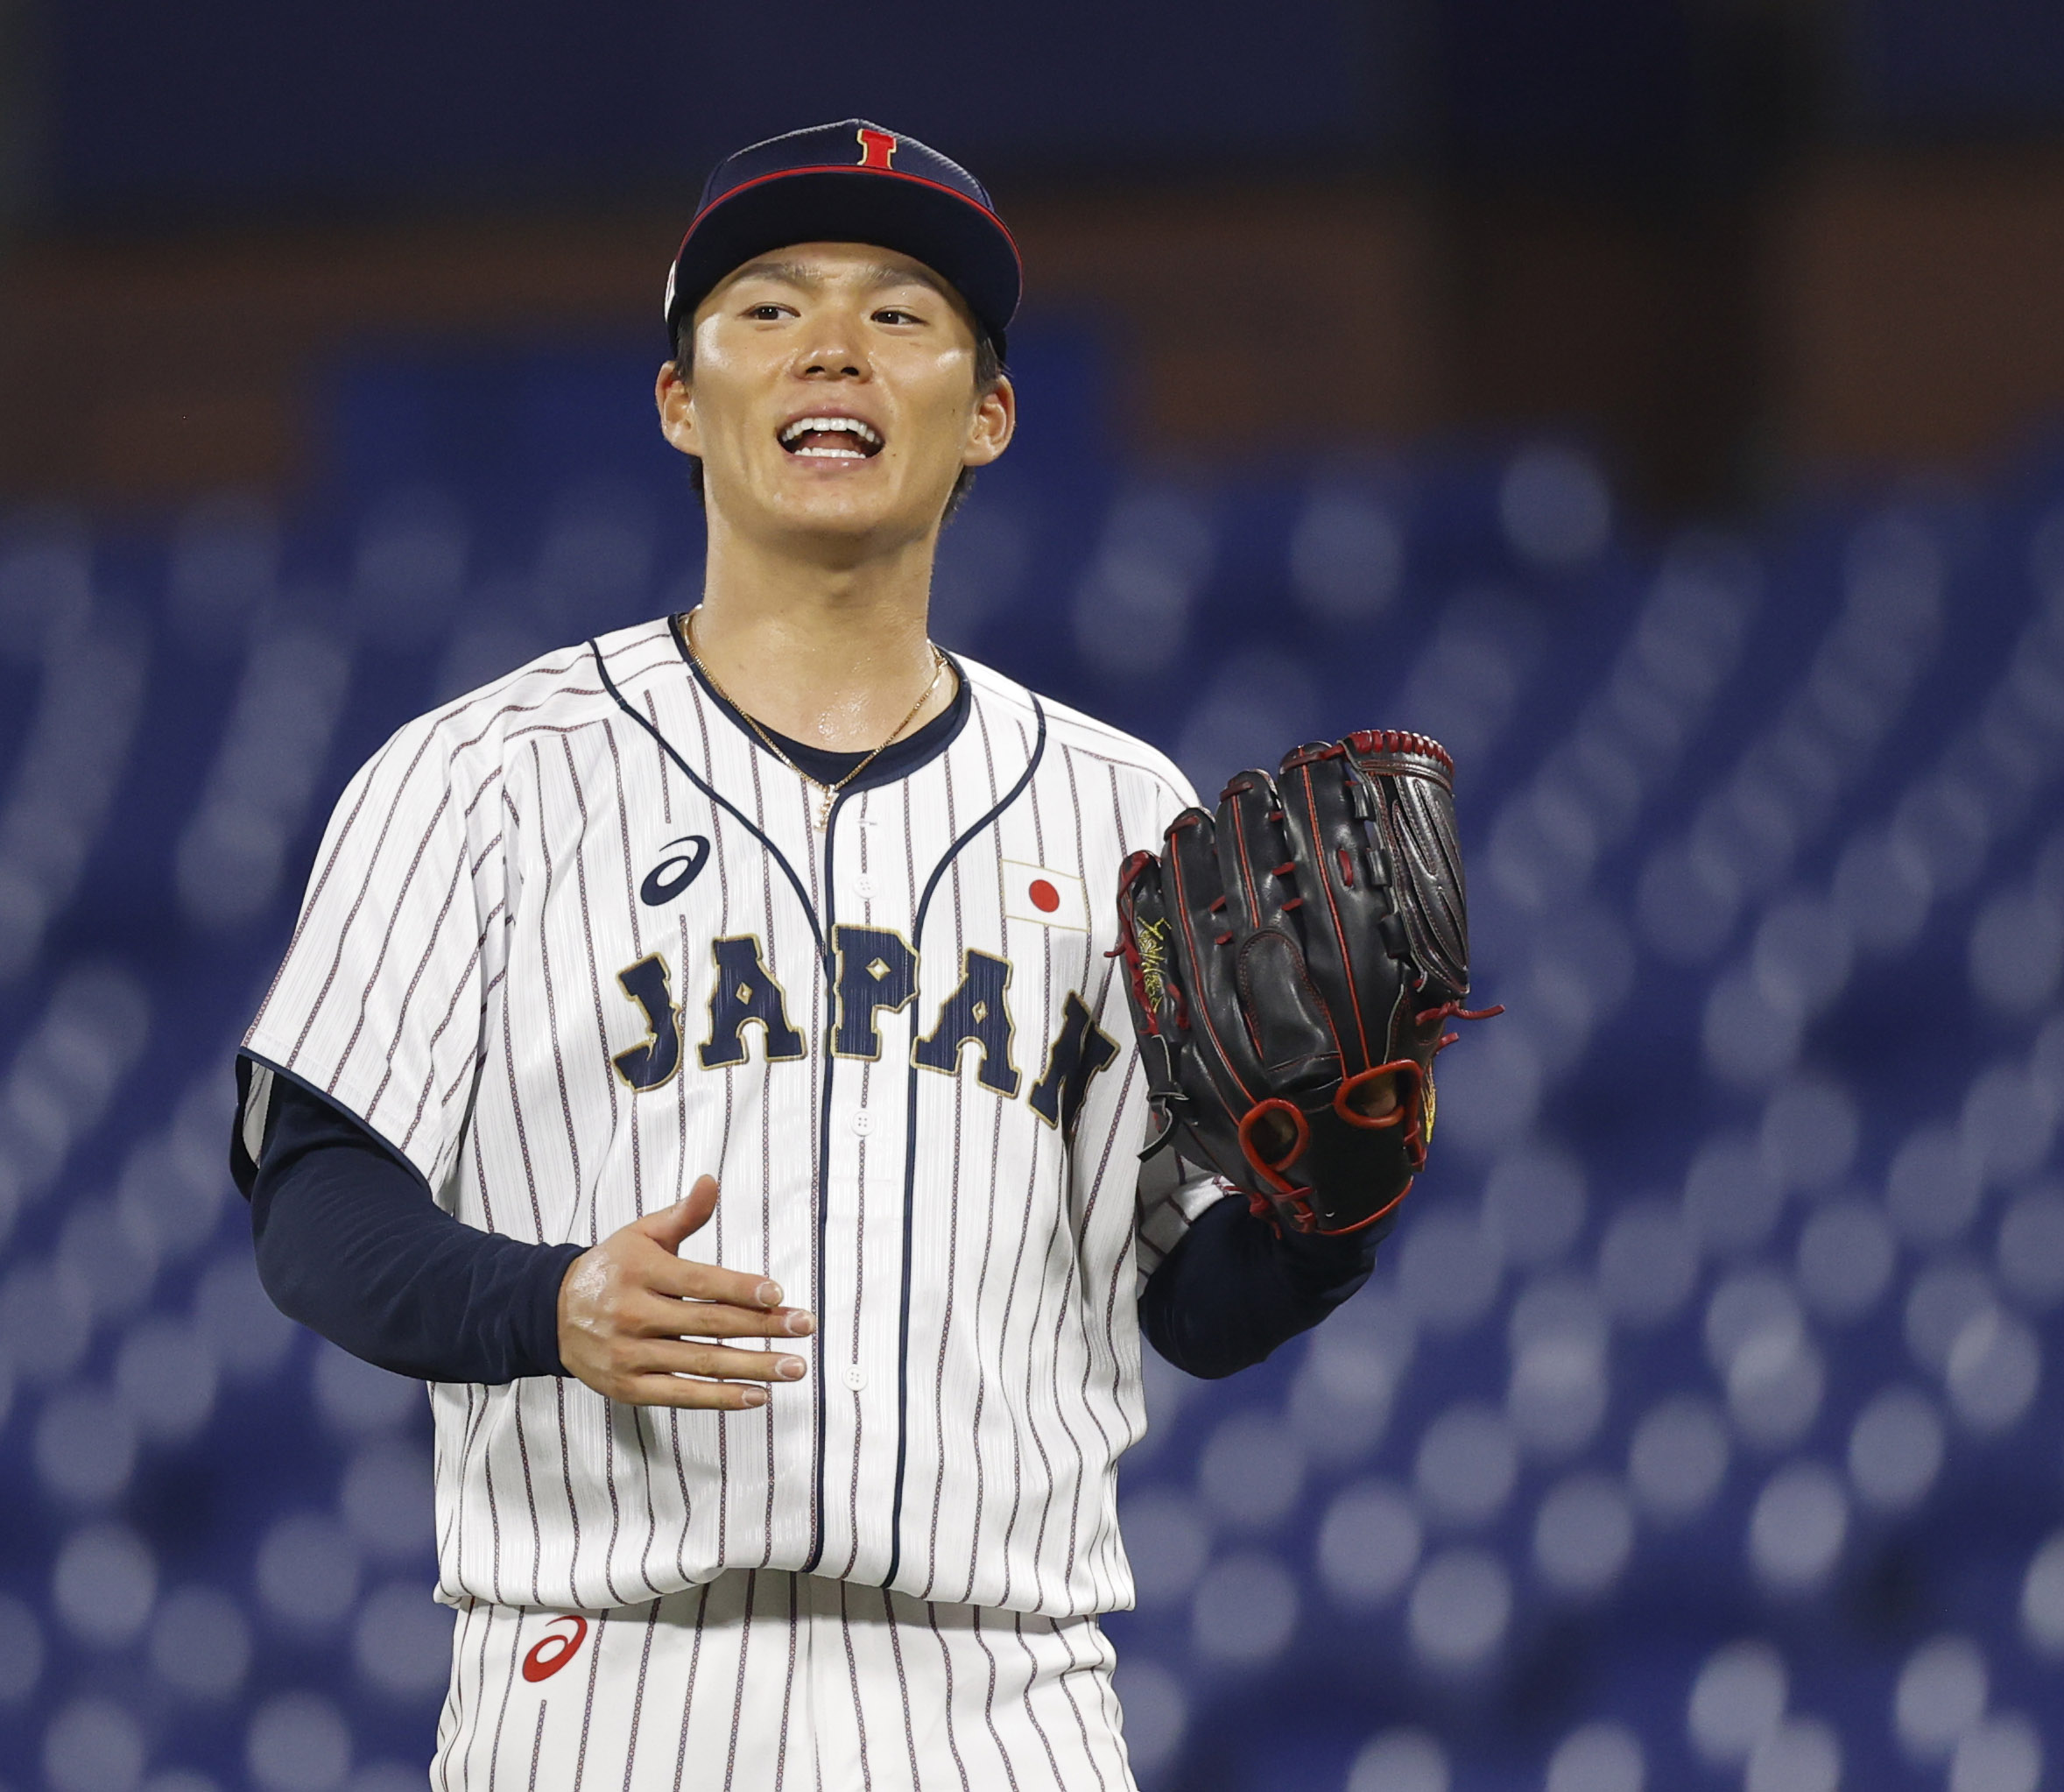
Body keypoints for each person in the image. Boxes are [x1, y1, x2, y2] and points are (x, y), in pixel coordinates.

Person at [233, 119, 1391, 1790]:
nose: (834, 343)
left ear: (987, 414)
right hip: (602, 1691)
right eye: (768, 308)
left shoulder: (1123, 810)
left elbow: (1191, 1308)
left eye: (903, 314)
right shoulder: (479, 774)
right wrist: (543, 1301)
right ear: (678, 401)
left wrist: (1332, 1212)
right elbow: (316, 1208)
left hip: (1003, 1703)